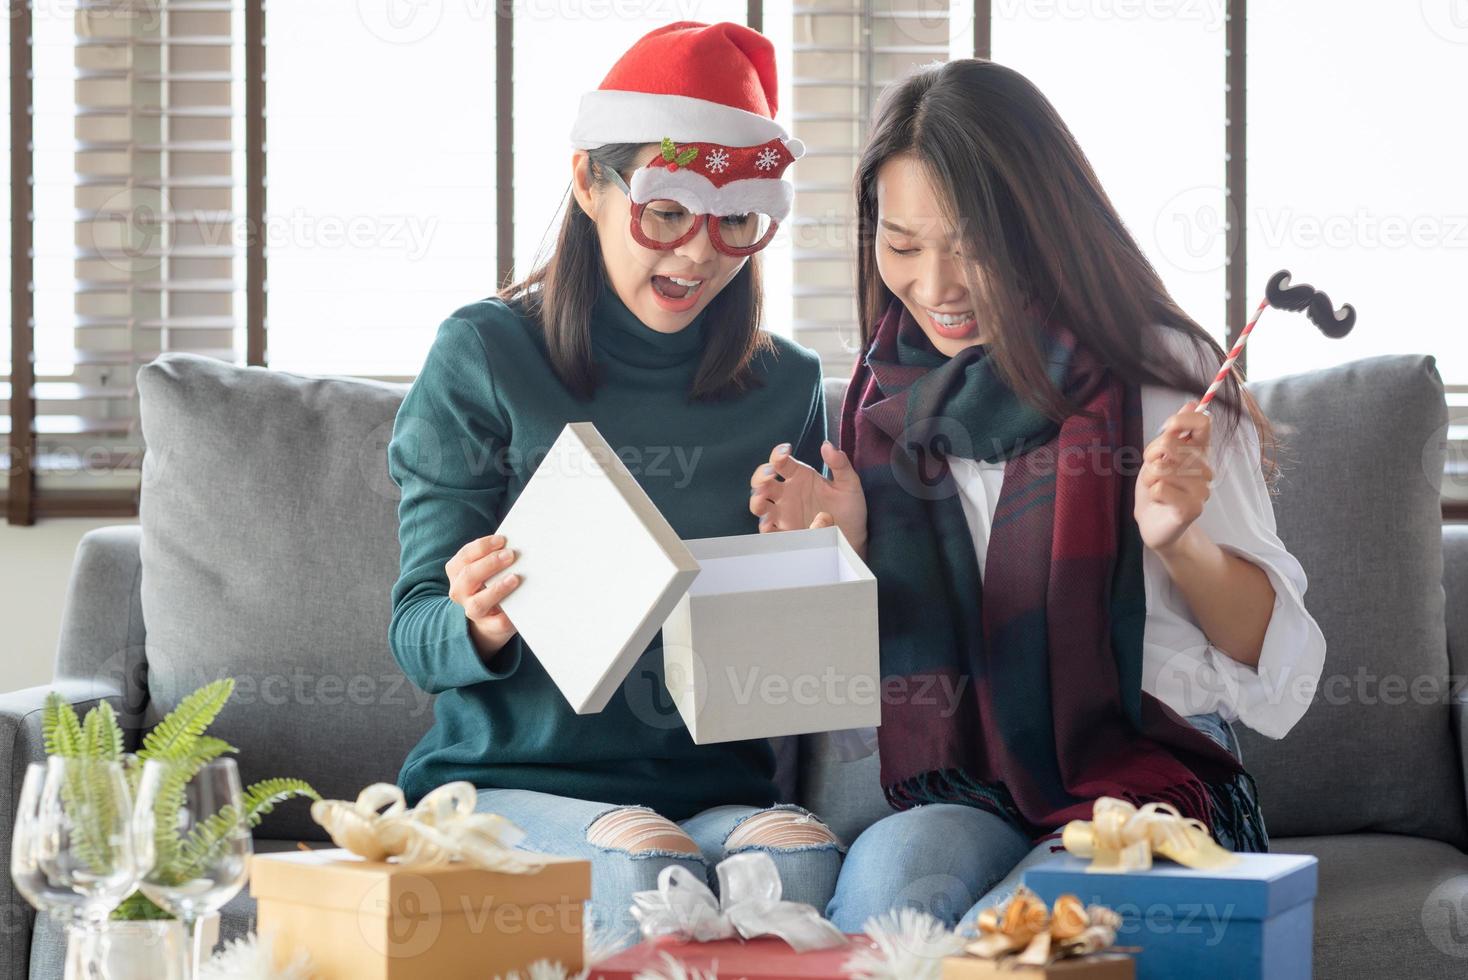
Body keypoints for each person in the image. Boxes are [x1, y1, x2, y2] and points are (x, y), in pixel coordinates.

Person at [747, 58, 1327, 931]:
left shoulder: (1163, 376)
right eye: (903, 245)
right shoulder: (879, 402)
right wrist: (841, 555)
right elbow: (830, 696)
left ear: (1044, 227)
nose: (936, 286)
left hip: (1142, 763)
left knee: (1070, 930)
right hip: (966, 778)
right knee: (888, 904)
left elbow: (1279, 673)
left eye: (973, 247)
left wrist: (1179, 542)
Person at [386, 21, 843, 943]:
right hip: (508, 788)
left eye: (736, 221)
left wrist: (823, 560)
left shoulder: (787, 384)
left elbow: (803, 679)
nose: (698, 254)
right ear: (590, 183)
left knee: (798, 858)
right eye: (667, 212)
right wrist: (477, 618)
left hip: (714, 792)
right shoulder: (485, 353)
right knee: (646, 868)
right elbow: (414, 634)